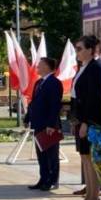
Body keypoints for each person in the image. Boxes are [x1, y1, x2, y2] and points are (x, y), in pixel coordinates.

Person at [70, 35, 101, 200]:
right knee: (85, 157)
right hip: (82, 119)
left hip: (92, 120)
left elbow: (94, 98)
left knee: (92, 158)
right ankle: (89, 195)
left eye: (79, 48)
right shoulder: (84, 67)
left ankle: (94, 198)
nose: (77, 52)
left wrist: (86, 122)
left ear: (91, 50)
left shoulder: (97, 67)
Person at [25, 56, 63, 191]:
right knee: (41, 154)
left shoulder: (54, 82)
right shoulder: (39, 82)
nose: (37, 67)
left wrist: (51, 125)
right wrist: (28, 117)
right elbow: (34, 102)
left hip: (49, 126)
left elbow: (55, 105)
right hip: (38, 123)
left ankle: (52, 181)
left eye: (40, 64)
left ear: (47, 67)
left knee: (51, 155)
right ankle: (43, 178)